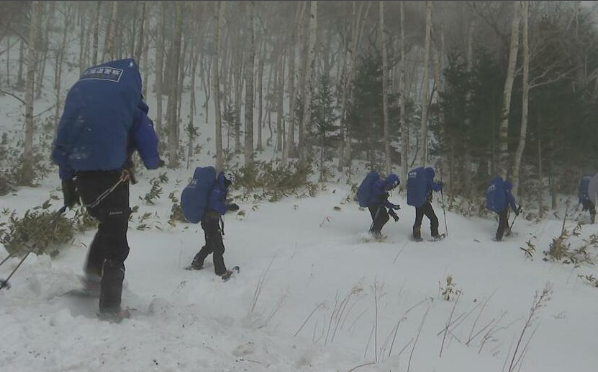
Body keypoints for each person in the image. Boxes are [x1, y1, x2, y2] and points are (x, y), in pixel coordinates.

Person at [52, 58, 162, 321]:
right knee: (116, 241)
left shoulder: (81, 104)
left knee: (106, 228)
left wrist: (67, 183)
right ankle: (111, 307)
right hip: (113, 180)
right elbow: (145, 135)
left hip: (83, 181)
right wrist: (153, 161)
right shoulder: (131, 107)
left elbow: (65, 142)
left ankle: (92, 278)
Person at [190, 172, 239, 279]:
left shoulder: (219, 188)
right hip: (210, 221)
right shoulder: (216, 189)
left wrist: (228, 205)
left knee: (210, 245)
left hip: (209, 220)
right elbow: (214, 205)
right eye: (229, 182)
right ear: (226, 180)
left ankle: (196, 263)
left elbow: (216, 203)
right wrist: (227, 208)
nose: (229, 185)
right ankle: (221, 272)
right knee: (218, 247)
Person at [413, 167, 443, 240]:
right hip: (424, 202)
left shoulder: (421, 179)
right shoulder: (428, 180)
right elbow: (436, 188)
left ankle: (416, 235)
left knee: (418, 219)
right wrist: (440, 185)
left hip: (417, 201)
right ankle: (435, 234)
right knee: (433, 219)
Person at [368, 174, 400, 239]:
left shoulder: (383, 187)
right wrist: (382, 196)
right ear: (390, 182)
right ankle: (372, 233)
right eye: (392, 186)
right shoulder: (379, 184)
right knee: (379, 219)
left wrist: (393, 211)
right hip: (373, 205)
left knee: (385, 217)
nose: (392, 188)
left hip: (378, 205)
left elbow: (384, 201)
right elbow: (380, 197)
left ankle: (376, 232)